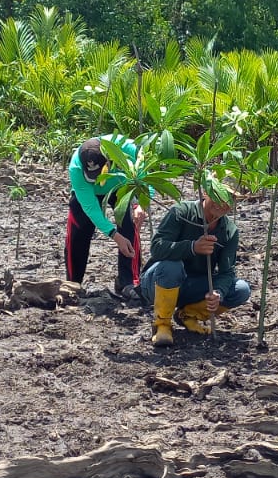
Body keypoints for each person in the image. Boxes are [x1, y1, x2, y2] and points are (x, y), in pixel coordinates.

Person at [142, 184, 251, 346]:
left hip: (193, 286)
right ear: (205, 192)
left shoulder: (229, 230)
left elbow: (227, 272)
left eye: (230, 199)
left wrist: (218, 292)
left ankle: (188, 315)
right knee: (173, 266)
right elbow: (157, 248)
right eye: (218, 195)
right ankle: (162, 324)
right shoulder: (181, 212)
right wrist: (192, 247)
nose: (223, 203)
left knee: (241, 290)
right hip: (158, 282)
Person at [66, 135, 148, 299]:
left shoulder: (130, 150)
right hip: (89, 195)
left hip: (121, 186)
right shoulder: (76, 168)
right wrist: (114, 235)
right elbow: (91, 208)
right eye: (91, 175)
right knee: (78, 228)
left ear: (109, 160)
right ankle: (73, 284)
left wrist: (141, 205)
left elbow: (147, 177)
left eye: (99, 173)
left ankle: (128, 282)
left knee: (130, 224)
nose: (97, 180)